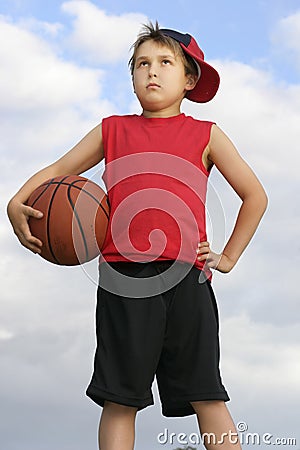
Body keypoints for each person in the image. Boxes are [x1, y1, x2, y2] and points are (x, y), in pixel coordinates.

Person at [7, 21, 268, 450]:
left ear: (189, 79)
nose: (152, 71)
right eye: (142, 63)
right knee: (118, 399)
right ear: (131, 78)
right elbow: (57, 172)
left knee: (207, 393)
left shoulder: (207, 135)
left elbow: (255, 196)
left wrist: (229, 256)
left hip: (187, 278)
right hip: (122, 278)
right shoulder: (111, 130)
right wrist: (16, 199)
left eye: (166, 62)